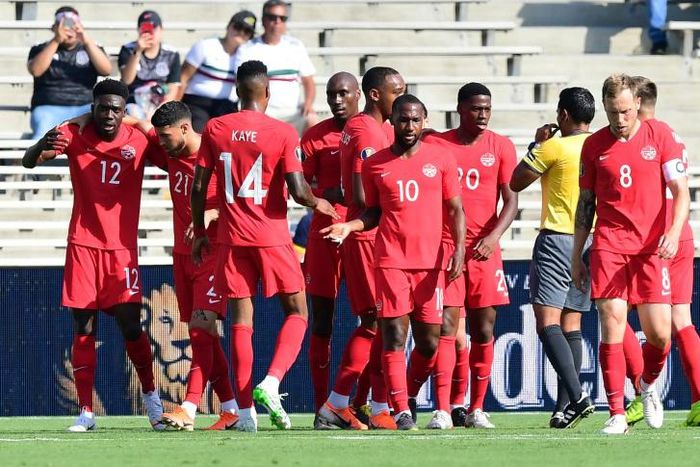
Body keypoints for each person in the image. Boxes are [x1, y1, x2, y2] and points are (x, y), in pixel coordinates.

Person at [191, 60, 337, 433]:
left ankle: (243, 414)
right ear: (267, 93)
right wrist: (318, 202)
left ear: (237, 91)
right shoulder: (282, 132)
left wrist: (199, 229)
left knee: (242, 322)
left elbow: (198, 186)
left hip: (230, 237)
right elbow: (299, 190)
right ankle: (271, 383)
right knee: (298, 310)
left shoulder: (215, 128)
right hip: (271, 236)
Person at [22, 79, 163, 432]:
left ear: (124, 109)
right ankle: (86, 411)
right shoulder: (73, 134)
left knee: (132, 326)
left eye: (117, 108)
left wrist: (140, 121)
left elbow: (173, 152)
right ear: (93, 107)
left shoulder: (140, 140)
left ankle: (152, 400)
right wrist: (41, 143)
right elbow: (29, 162)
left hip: (122, 250)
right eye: (103, 108)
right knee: (83, 327)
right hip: (83, 245)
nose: (110, 114)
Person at [321, 94, 465, 431]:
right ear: (393, 121)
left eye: (415, 119)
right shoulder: (376, 164)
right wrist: (350, 225)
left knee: (430, 342)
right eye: (403, 119)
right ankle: (399, 410)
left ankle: (408, 395)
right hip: (391, 261)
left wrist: (458, 249)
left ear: (424, 120)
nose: (409, 126)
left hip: (431, 263)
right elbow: (372, 212)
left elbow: (456, 208)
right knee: (394, 335)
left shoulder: (442, 158)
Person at [572, 73, 689, 435]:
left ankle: (647, 386)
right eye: (612, 112)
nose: (619, 119)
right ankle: (617, 413)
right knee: (611, 322)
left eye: (624, 111)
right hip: (609, 243)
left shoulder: (661, 135)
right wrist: (577, 254)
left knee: (660, 336)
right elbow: (586, 203)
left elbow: (682, 193)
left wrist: (672, 232)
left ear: (636, 103)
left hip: (651, 247)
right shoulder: (594, 146)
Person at [113, 102, 238, 431]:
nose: (162, 143)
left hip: (215, 253)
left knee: (199, 330)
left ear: (185, 129)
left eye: (166, 137)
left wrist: (213, 214)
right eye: (160, 137)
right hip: (183, 256)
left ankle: (189, 407)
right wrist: (86, 117)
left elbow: (246, 200)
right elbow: (137, 123)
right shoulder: (169, 147)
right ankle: (231, 410)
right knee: (206, 335)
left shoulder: (218, 156)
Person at [423, 83, 518, 429]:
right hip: (447, 248)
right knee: (448, 327)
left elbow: (511, 201)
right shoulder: (436, 144)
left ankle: (477, 408)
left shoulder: (501, 146)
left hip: (483, 250)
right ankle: (443, 409)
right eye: (476, 108)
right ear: (460, 109)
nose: (482, 115)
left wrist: (493, 237)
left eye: (487, 109)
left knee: (483, 328)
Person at [316, 66, 405, 431]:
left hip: (382, 233)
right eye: (397, 91)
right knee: (375, 320)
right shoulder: (364, 129)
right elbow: (361, 190)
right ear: (375, 94)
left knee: (386, 323)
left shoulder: (379, 129)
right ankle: (339, 403)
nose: (402, 95)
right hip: (368, 235)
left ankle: (372, 405)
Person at [509, 87, 597, 429]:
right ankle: (564, 409)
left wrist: (536, 144)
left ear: (563, 115)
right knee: (572, 325)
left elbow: (517, 182)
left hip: (558, 238)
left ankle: (578, 395)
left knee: (547, 323)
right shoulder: (598, 146)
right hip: (590, 241)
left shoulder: (553, 146)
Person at [622, 76, 700, 428]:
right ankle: (697, 400)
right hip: (680, 233)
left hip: (654, 237)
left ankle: (642, 391)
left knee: (618, 314)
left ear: (636, 101)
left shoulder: (647, 137)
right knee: (681, 319)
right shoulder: (673, 134)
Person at [301, 72, 361, 421]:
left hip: (362, 236)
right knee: (321, 321)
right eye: (331, 95)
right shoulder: (313, 137)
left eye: (343, 94)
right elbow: (297, 185)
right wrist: (320, 200)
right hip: (324, 236)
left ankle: (369, 400)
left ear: (357, 95)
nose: (337, 101)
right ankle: (322, 404)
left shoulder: (374, 132)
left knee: (374, 317)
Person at [27, 6, 112, 139]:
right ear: (54, 27)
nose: (68, 29)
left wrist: (86, 40)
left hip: (85, 108)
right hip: (48, 107)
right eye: (63, 25)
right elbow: (35, 70)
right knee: (40, 136)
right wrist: (56, 40)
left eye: (72, 24)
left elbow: (106, 70)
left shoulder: (92, 47)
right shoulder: (40, 48)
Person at [236, 0, 317, 133]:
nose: (277, 21)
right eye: (272, 17)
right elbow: (241, 83)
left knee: (311, 119)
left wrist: (308, 103)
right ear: (263, 20)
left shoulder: (296, 46)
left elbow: (309, 81)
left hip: (293, 112)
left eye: (282, 18)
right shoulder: (248, 48)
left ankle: (307, 154)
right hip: (264, 111)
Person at [179, 10, 257, 132]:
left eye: (247, 31)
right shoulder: (205, 46)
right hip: (197, 102)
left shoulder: (246, 55)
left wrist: (241, 55)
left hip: (226, 105)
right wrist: (176, 108)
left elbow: (244, 88)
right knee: (198, 136)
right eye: (238, 27)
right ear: (228, 26)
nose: (241, 33)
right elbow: (183, 78)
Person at [118, 11, 181, 119]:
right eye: (145, 29)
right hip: (134, 101)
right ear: (138, 31)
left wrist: (162, 108)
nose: (149, 33)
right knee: (133, 113)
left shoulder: (171, 53)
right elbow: (127, 80)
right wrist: (137, 51)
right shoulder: (128, 49)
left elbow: (173, 87)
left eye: (153, 28)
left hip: (161, 101)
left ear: (161, 30)